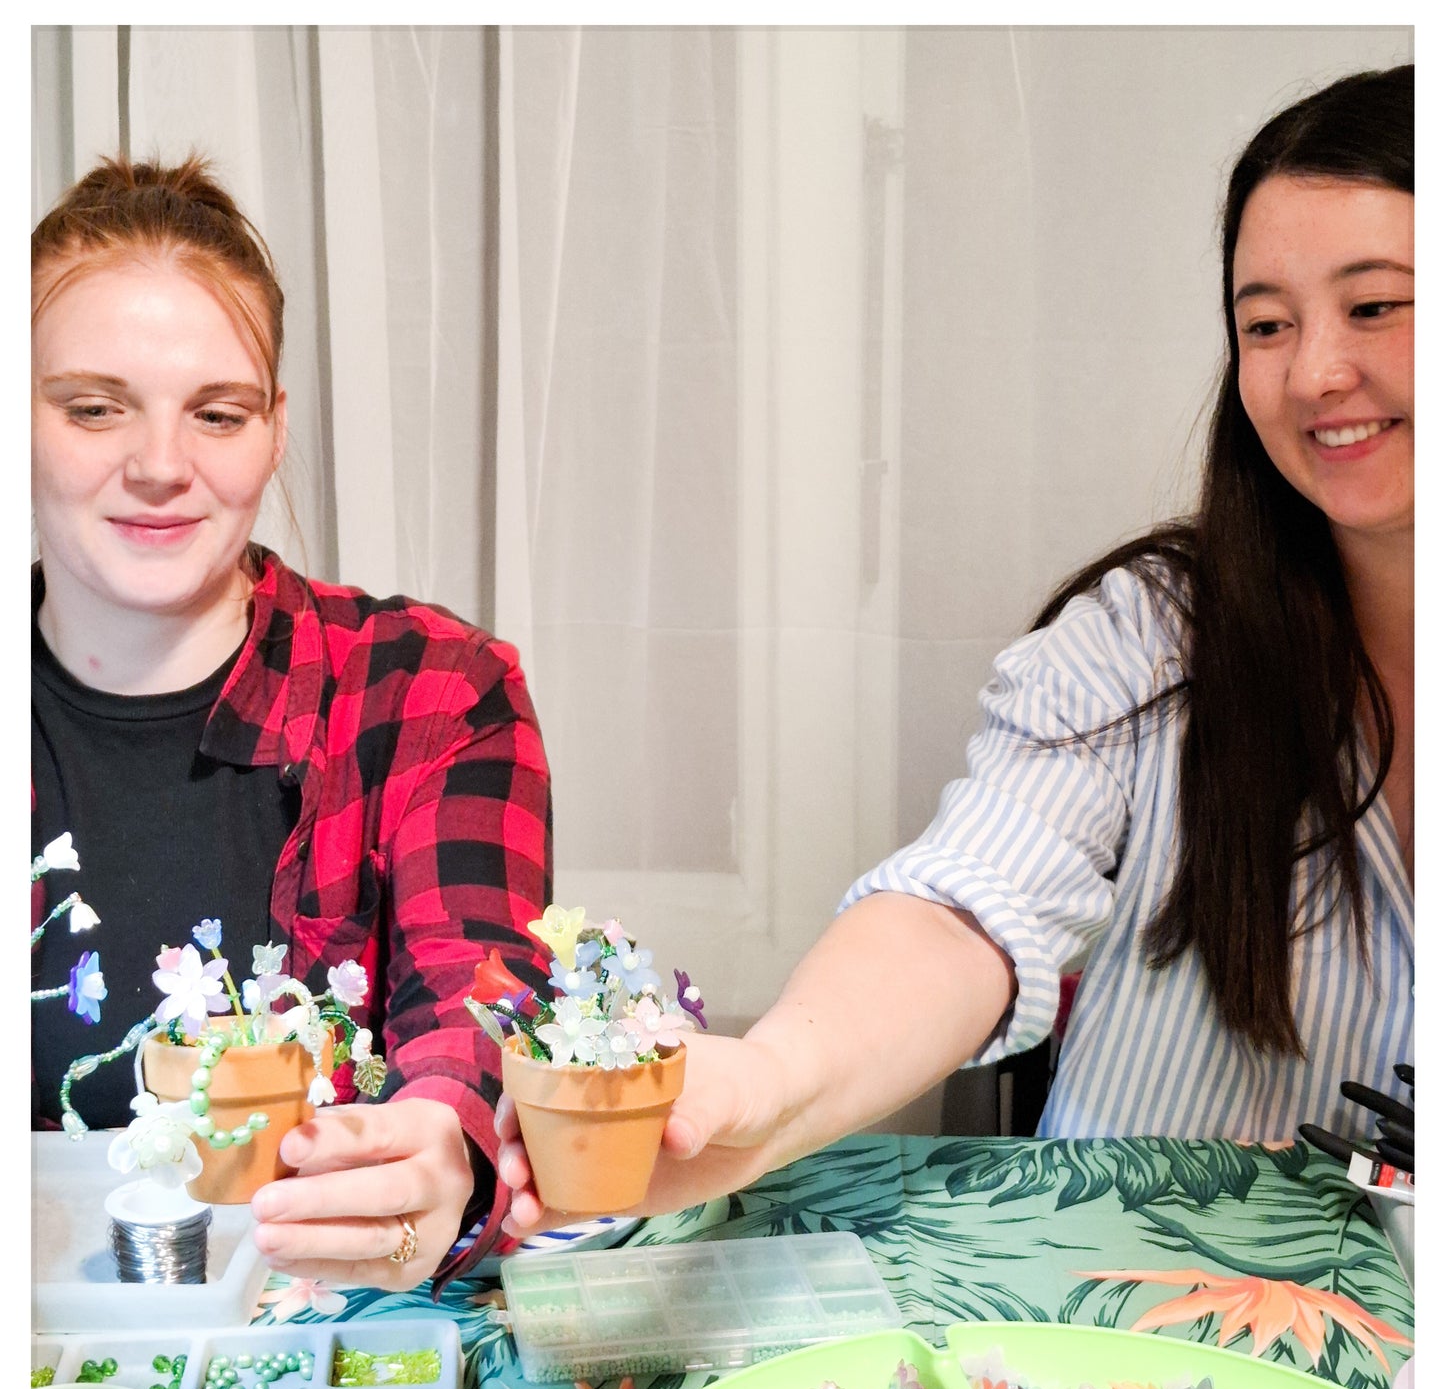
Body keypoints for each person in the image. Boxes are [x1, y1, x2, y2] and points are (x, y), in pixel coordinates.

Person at [498, 63, 1413, 1233]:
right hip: (1110, 1336)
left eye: (1373, 306)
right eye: (1265, 325)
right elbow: (964, 907)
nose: (1313, 373)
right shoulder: (1149, 637)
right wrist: (768, 1084)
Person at [30, 156, 553, 1293]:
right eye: (93, 407)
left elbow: (475, 991)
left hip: (328, 1331)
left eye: (215, 414)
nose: (159, 466)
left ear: (272, 432)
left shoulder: (432, 689)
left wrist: (440, 1154)